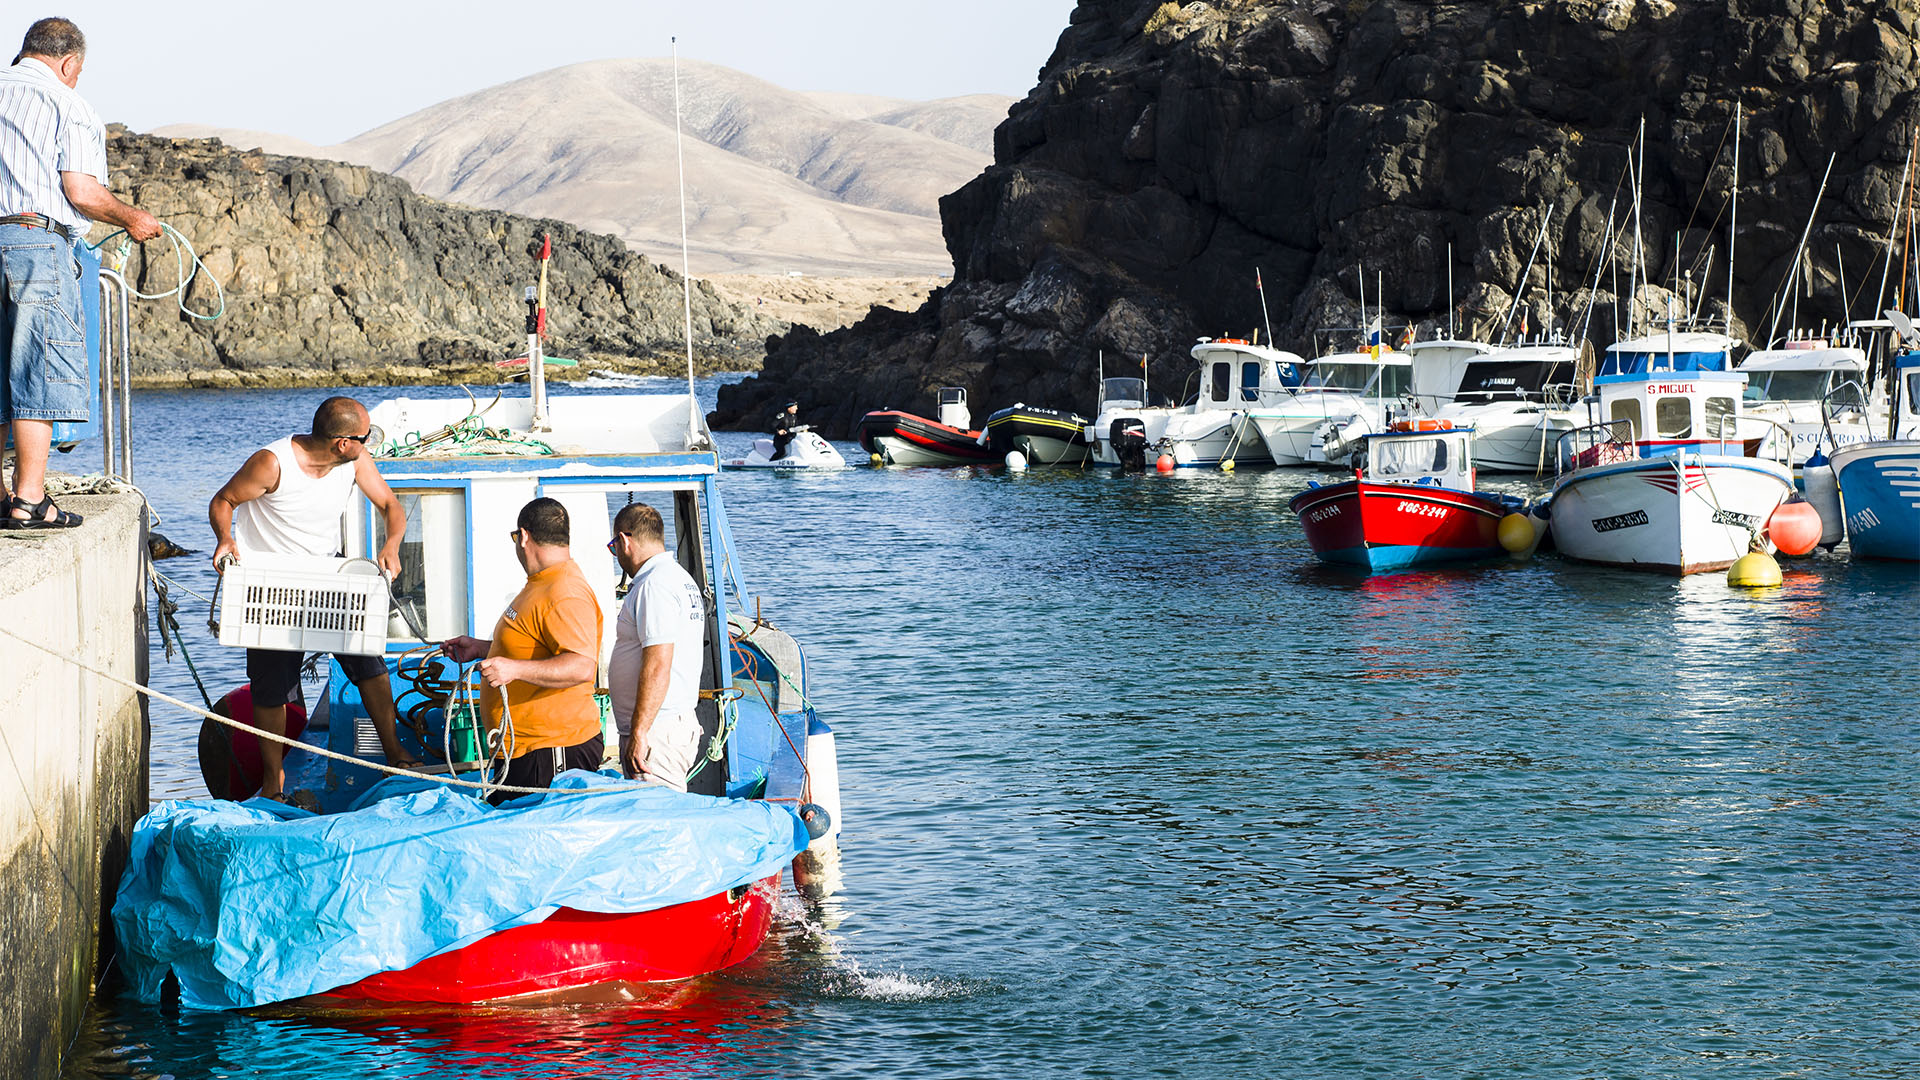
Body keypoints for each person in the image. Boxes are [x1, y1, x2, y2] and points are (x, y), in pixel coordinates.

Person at [209, 396, 417, 798]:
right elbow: (223, 500)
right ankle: (274, 780)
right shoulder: (272, 463)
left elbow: (391, 504)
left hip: (327, 574)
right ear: (342, 442)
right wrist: (225, 538)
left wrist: (392, 543)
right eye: (365, 436)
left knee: (369, 663)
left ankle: (394, 750)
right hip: (271, 585)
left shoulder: (354, 462)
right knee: (271, 689)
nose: (368, 442)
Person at [0, 18, 160, 530]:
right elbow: (82, 192)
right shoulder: (67, 104)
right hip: (34, 242)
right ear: (69, 63)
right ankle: (28, 499)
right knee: (37, 368)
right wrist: (134, 218)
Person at [443, 497, 603, 801]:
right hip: (523, 750)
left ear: (524, 536)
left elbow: (581, 666)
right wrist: (482, 649)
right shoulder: (542, 583)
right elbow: (536, 646)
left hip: (552, 750)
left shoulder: (565, 591)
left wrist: (513, 670)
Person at [606, 503, 706, 791]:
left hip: (658, 730)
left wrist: (639, 731)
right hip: (666, 722)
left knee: (658, 818)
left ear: (624, 541)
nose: (616, 555)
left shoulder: (655, 585)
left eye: (614, 547)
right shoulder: (678, 578)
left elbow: (658, 663)